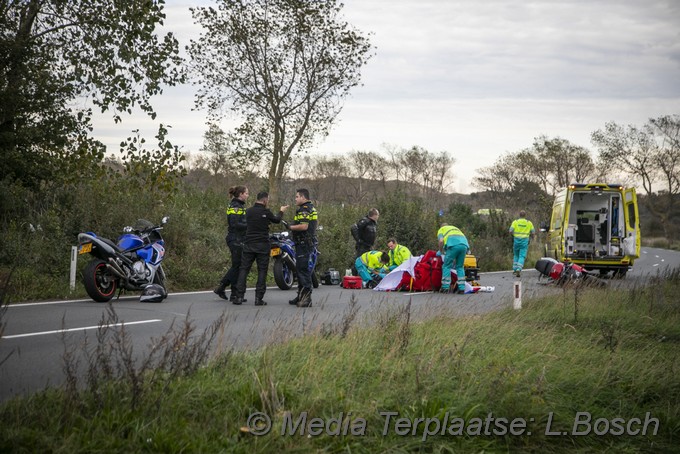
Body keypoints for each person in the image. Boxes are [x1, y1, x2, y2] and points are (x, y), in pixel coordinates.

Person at [231, 192, 288, 306]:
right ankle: (258, 298)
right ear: (265, 200)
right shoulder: (266, 212)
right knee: (262, 271)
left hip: (249, 244)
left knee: (244, 270)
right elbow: (277, 220)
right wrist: (281, 211)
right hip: (262, 245)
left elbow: (241, 224)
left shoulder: (248, 211)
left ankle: (239, 297)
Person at [214, 186, 249, 303]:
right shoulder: (235, 206)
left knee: (238, 266)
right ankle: (222, 286)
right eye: (246, 193)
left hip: (239, 239)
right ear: (241, 194)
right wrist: (249, 226)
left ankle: (234, 293)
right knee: (237, 266)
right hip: (235, 239)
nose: (248, 195)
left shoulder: (239, 205)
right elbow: (235, 224)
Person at [286, 188, 318, 308]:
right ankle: (300, 295)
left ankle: (306, 299)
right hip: (304, 243)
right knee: (299, 269)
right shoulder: (309, 208)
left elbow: (304, 226)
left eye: (297, 197)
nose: (295, 199)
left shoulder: (305, 209)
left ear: (303, 197)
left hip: (304, 243)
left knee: (303, 270)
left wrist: (290, 227)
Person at [438, 223, 469, 294]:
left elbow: (441, 241)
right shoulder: (454, 228)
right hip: (464, 245)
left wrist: (440, 251)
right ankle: (462, 288)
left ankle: (445, 287)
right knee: (460, 267)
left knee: (446, 266)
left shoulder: (441, 229)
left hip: (453, 246)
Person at [351, 208, 379, 274]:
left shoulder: (373, 223)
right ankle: (354, 276)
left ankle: (364, 277)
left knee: (367, 261)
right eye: (377, 215)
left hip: (369, 245)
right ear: (374, 215)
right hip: (362, 245)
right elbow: (354, 228)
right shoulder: (365, 221)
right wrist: (358, 240)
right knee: (359, 260)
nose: (378, 217)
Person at [509, 210, 535, 277]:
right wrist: (532, 237)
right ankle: (519, 269)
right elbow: (533, 232)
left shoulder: (515, 222)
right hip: (524, 241)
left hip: (516, 241)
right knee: (522, 256)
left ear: (519, 215)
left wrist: (514, 235)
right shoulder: (529, 223)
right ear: (525, 215)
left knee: (516, 255)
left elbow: (510, 230)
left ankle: (514, 269)